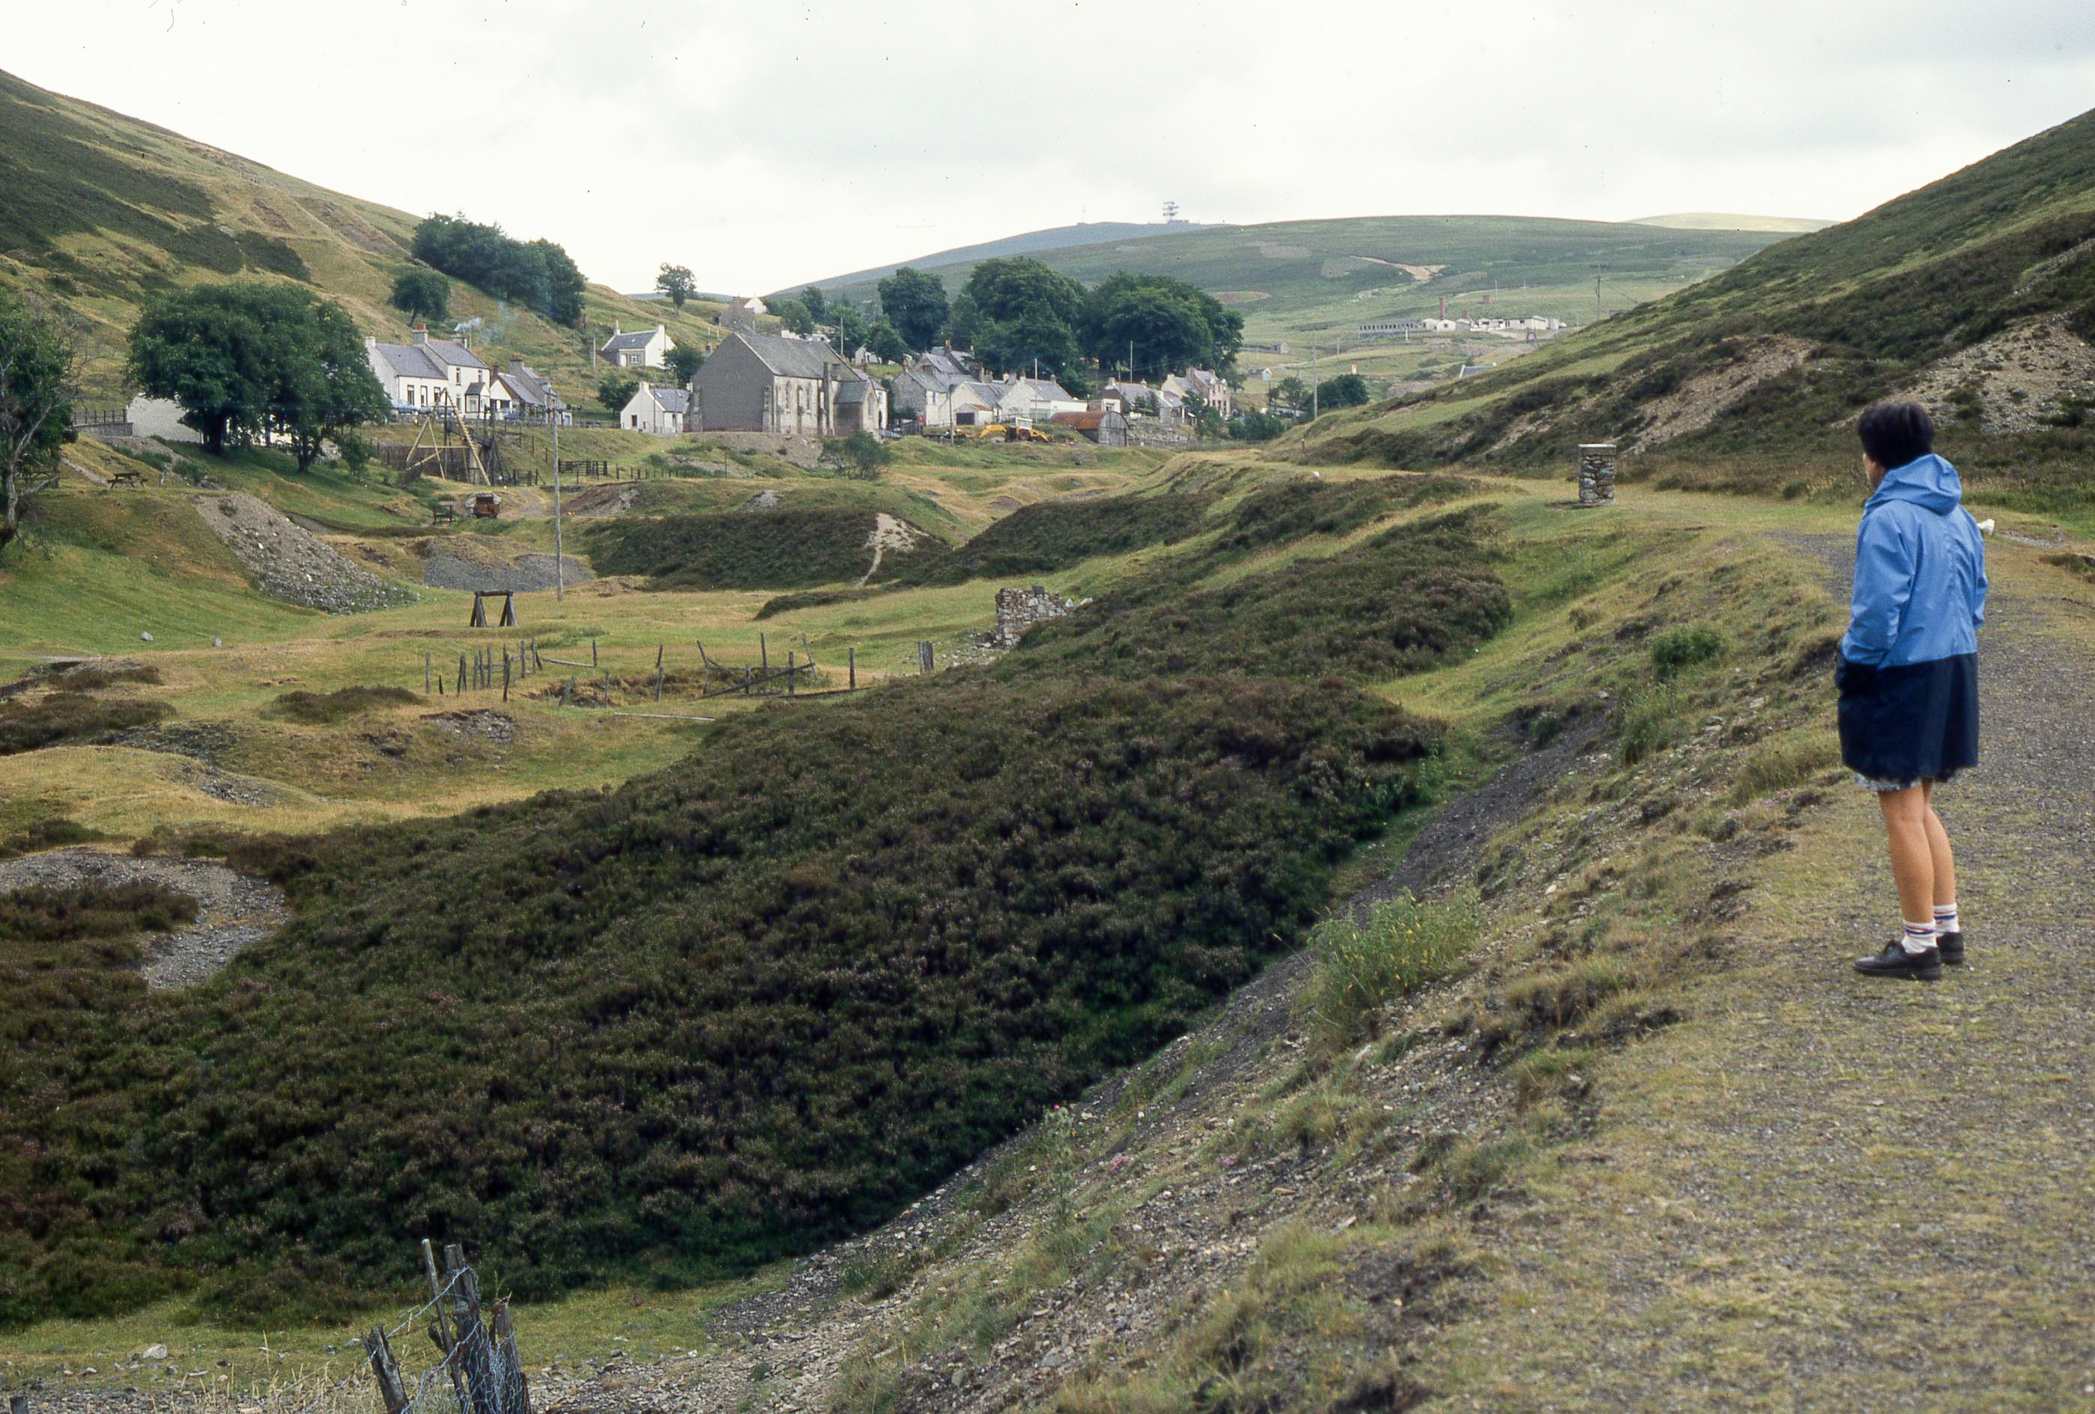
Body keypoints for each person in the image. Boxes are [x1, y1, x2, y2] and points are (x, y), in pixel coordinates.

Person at [1835, 401, 1987, 982]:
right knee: (1922, 802)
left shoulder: (1888, 517)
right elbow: (1978, 595)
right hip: (1954, 664)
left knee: (1899, 808)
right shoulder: (1958, 513)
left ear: (1874, 459)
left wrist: (1855, 665)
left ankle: (1918, 945)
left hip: (1901, 673)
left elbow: (1876, 615)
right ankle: (1945, 929)